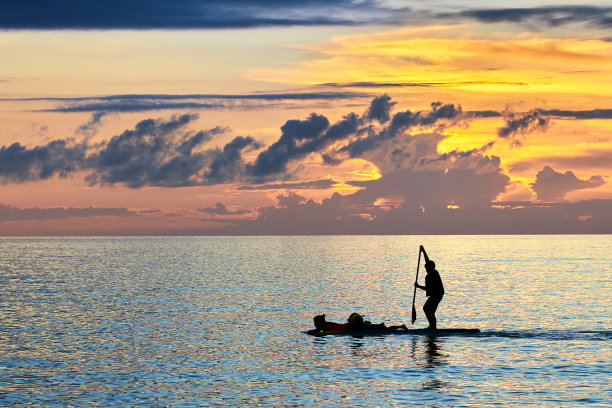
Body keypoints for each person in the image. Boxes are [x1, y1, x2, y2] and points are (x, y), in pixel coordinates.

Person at [414, 245, 445, 330]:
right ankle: (434, 328)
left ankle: (432, 327)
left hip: (438, 294)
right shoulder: (427, 277)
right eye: (426, 268)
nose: (427, 269)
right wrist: (418, 286)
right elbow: (428, 289)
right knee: (431, 311)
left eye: (429, 267)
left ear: (432, 267)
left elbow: (427, 262)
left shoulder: (435, 273)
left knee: (426, 308)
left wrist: (423, 251)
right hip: (435, 295)